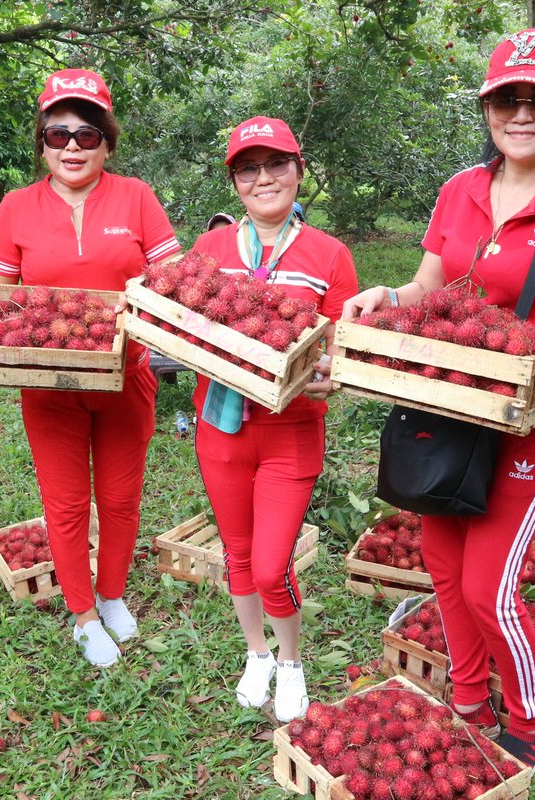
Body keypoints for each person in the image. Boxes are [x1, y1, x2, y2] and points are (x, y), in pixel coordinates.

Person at [343, 29, 535, 768]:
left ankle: (529, 725)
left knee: (487, 586)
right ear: (488, 108)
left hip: (529, 422)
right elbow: (427, 289)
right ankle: (467, 698)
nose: (522, 112)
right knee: (441, 564)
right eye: (507, 97)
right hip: (447, 409)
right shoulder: (459, 192)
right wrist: (387, 295)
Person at [0, 68, 180, 667]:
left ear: (108, 142)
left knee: (121, 497)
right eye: (58, 132)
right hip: (51, 384)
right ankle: (83, 612)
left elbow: (169, 279)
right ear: (42, 142)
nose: (72, 145)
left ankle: (113, 592)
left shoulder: (137, 198)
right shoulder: (15, 208)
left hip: (127, 375)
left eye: (87, 134)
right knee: (65, 504)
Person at [190, 116, 358, 722]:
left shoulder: (329, 254)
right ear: (235, 182)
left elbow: (340, 347)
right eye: (249, 168)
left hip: (289, 431)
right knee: (238, 554)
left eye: (277, 165)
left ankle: (289, 661)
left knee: (269, 563)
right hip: (219, 425)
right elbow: (183, 322)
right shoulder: (208, 250)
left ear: (299, 170)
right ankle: (256, 653)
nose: (265, 179)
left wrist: (329, 371)